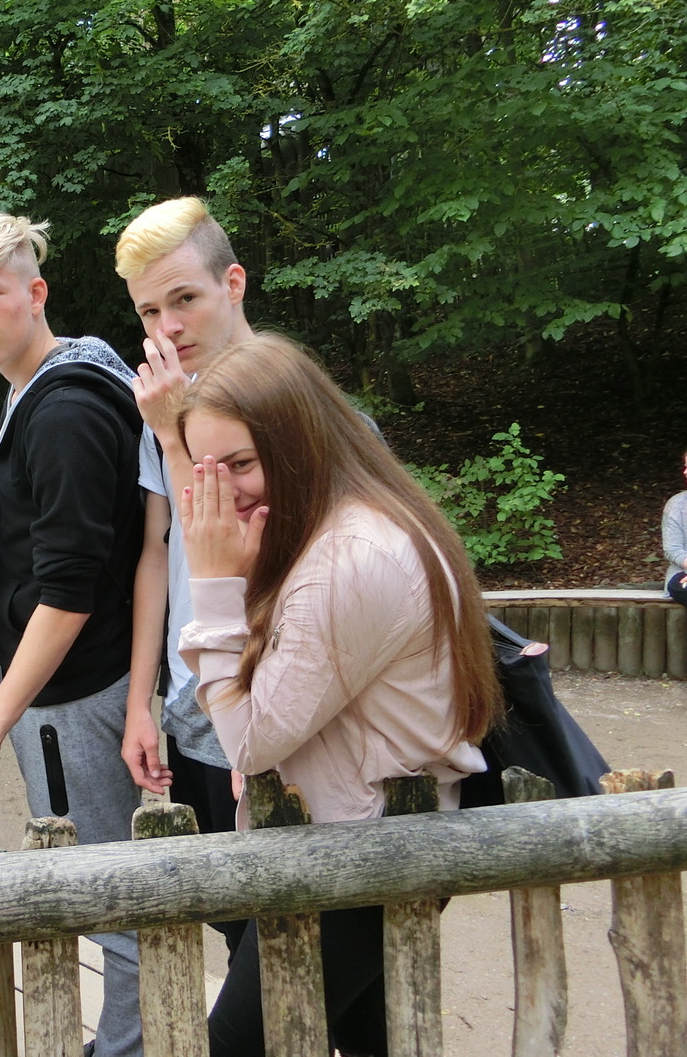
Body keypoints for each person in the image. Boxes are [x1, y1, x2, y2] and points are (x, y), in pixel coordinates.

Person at [174, 334, 501, 1057]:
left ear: (298, 442)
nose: (224, 492)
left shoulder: (351, 559)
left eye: (241, 464)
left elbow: (249, 740)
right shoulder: (334, 526)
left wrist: (215, 587)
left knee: (234, 1045)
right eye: (207, 470)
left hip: (359, 858)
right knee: (371, 1037)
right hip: (357, 843)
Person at [0, 212, 145, 1057]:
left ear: (36, 292)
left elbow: (69, 592)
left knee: (105, 890)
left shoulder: (64, 411)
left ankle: (123, 1048)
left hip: (75, 690)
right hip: (65, 690)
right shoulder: (35, 390)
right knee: (96, 877)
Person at [115, 197, 254, 950]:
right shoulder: (166, 408)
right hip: (193, 721)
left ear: (233, 283)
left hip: (276, 726)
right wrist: (143, 701)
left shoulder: (294, 404)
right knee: (232, 926)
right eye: (149, 311)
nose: (167, 327)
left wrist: (172, 434)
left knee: (294, 945)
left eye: (185, 299)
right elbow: (158, 554)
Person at [665, 449, 687, 608]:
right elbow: (673, 549)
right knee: (679, 587)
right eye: (685, 466)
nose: (685, 472)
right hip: (683, 576)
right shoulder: (677, 505)